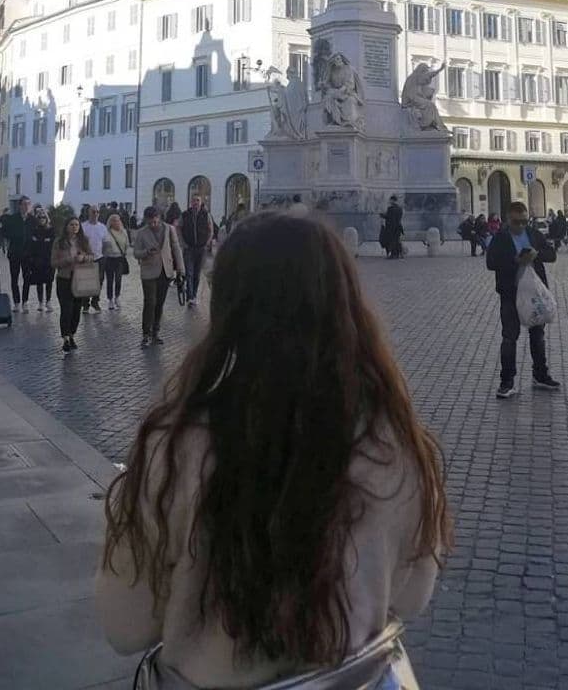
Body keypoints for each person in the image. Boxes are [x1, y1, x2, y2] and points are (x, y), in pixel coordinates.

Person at [96, 213, 453, 686]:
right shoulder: (395, 443)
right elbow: (412, 597)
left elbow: (125, 627)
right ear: (345, 304)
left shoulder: (179, 449)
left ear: (228, 308)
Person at [486, 200, 561, 399]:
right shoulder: (500, 238)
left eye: (524, 222)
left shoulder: (534, 234)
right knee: (510, 337)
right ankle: (507, 382)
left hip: (534, 292)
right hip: (510, 292)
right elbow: (490, 262)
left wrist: (537, 255)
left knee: (537, 335)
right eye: (516, 222)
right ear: (507, 220)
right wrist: (514, 261)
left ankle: (540, 375)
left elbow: (551, 255)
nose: (520, 226)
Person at [132, 205, 185, 349]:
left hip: (165, 271)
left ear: (159, 218)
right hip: (149, 271)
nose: (153, 225)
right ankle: (146, 334)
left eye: (155, 222)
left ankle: (156, 332)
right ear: (146, 220)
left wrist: (181, 269)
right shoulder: (141, 233)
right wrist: (146, 252)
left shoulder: (169, 229)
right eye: (150, 222)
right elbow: (136, 253)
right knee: (150, 302)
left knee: (159, 303)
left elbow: (176, 248)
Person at [51, 217, 93, 353]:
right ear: (66, 226)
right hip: (64, 278)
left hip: (80, 278)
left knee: (76, 310)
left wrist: (84, 258)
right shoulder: (59, 242)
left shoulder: (83, 240)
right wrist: (69, 260)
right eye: (71, 224)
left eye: (76, 224)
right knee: (66, 309)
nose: (74, 227)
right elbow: (54, 262)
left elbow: (92, 256)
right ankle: (65, 338)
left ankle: (72, 334)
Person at [179, 193, 213, 310]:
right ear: (190, 202)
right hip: (189, 248)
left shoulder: (206, 214)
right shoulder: (185, 215)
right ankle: (190, 298)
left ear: (201, 202)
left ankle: (193, 294)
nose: (195, 203)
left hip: (201, 248)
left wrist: (207, 242)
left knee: (197, 273)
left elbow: (210, 229)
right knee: (189, 272)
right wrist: (183, 243)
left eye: (198, 200)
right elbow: (179, 228)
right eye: (193, 200)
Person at [4, 197, 34, 313]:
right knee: (14, 278)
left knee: (27, 278)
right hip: (15, 253)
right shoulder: (13, 219)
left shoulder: (32, 219)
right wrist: (15, 236)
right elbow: (5, 232)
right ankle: (16, 302)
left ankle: (25, 302)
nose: (26, 206)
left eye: (28, 204)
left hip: (28, 254)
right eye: (24, 204)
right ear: (19, 206)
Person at [24, 207, 56, 312]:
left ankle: (48, 301)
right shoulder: (34, 230)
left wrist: (40, 241)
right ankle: (40, 302)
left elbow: (52, 244)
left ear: (46, 218)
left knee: (49, 281)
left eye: (43, 217)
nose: (42, 219)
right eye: (39, 217)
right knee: (39, 281)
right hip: (37, 259)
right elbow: (32, 244)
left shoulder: (51, 230)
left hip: (49, 259)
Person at [81, 205, 110, 314]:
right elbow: (80, 242)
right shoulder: (83, 226)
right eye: (93, 212)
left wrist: (105, 254)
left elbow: (106, 242)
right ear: (89, 213)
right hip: (87, 258)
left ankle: (95, 301)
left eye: (97, 212)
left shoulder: (102, 227)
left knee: (99, 280)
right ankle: (85, 304)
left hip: (100, 257)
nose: (96, 214)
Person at [102, 213, 130, 310]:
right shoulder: (107, 232)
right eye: (114, 220)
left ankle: (117, 297)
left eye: (117, 220)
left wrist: (125, 252)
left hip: (119, 258)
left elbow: (127, 243)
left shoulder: (124, 232)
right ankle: (110, 299)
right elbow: (103, 245)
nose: (116, 222)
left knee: (118, 279)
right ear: (110, 222)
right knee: (110, 280)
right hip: (109, 258)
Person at [380, 195, 404, 259]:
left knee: (391, 241)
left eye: (390, 200)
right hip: (398, 227)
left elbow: (389, 217)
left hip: (391, 228)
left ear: (392, 200)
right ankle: (398, 254)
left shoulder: (390, 208)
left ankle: (393, 255)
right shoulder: (400, 208)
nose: (389, 201)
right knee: (396, 240)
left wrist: (382, 215)